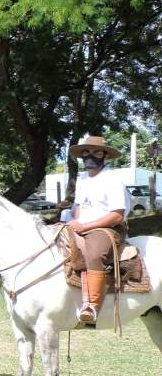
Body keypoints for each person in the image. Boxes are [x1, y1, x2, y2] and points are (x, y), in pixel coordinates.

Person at [68, 135, 131, 324]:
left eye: (96, 152)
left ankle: (91, 306)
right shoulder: (83, 178)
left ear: (104, 155)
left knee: (94, 254)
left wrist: (85, 226)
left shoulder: (112, 179)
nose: (90, 156)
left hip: (107, 228)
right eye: (86, 152)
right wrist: (75, 222)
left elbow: (118, 215)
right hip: (82, 225)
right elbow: (79, 205)